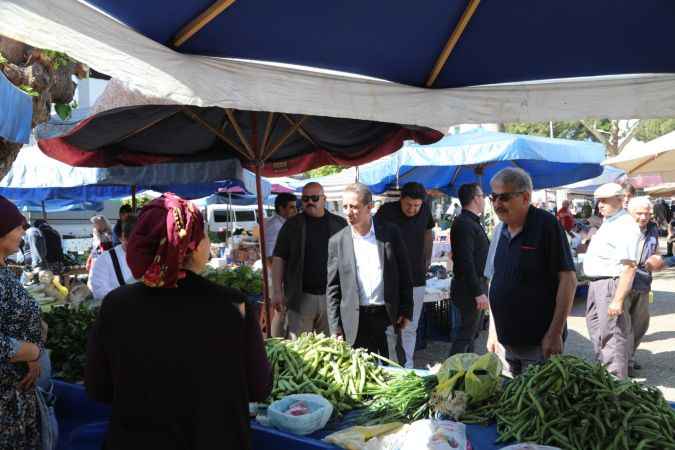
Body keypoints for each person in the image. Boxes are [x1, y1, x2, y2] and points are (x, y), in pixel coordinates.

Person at [85, 193, 271, 450]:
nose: (208, 243)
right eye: (204, 235)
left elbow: (97, 389)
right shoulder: (233, 305)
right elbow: (259, 387)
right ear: (192, 245)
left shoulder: (116, 304)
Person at [484, 168, 577, 376]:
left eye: (505, 197)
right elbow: (494, 281)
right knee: (509, 401)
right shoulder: (499, 231)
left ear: (525, 197)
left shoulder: (547, 225)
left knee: (534, 404)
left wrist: (555, 333)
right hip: (504, 343)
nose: (497, 204)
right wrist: (492, 331)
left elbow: (568, 279)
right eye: (494, 197)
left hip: (539, 343)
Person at [326, 183, 413, 356]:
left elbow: (404, 273)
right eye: (345, 206)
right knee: (363, 374)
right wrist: (335, 326)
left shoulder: (390, 233)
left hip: (386, 315)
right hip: (356, 320)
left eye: (354, 207)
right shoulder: (337, 241)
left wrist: (406, 309)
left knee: (394, 369)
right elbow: (333, 288)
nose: (348, 212)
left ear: (369, 207)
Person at [583, 183, 642, 379]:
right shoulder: (610, 221)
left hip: (610, 283)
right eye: (598, 201)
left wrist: (617, 299)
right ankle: (605, 378)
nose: (600, 205)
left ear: (620, 199)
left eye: (605, 200)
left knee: (613, 335)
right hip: (598, 283)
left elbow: (629, 266)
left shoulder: (625, 225)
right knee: (598, 331)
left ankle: (615, 383)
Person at [272, 182, 346, 338]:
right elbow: (279, 258)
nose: (310, 202)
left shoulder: (339, 224)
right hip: (300, 298)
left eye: (314, 198)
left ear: (324, 199)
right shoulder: (292, 225)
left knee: (329, 350)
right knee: (299, 351)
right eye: (305, 199)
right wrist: (277, 291)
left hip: (331, 298)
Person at [0, 195, 45, 449]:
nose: (23, 230)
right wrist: (30, 350)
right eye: (17, 225)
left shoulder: (5, 269)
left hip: (17, 398)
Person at [375, 182, 433, 368]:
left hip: (416, 277)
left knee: (410, 326)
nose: (412, 209)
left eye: (417, 205)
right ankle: (389, 364)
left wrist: (427, 260)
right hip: (389, 278)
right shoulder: (386, 212)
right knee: (389, 325)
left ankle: (406, 365)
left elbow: (428, 233)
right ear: (401, 198)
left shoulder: (425, 210)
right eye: (409, 204)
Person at [449, 183, 489, 355]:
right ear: (475, 199)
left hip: (475, 285)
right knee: (465, 335)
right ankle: (452, 372)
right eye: (482, 196)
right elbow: (466, 261)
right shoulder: (464, 223)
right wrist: (477, 292)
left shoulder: (470, 222)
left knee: (471, 334)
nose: (485, 199)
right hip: (469, 289)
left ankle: (466, 370)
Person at [626, 197, 659, 376]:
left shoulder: (653, 229)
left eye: (647, 213)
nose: (644, 217)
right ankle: (623, 362)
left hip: (644, 281)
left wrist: (656, 259)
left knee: (640, 324)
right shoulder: (622, 229)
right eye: (639, 213)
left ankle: (630, 356)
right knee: (623, 325)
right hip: (624, 281)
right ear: (630, 212)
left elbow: (656, 252)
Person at [264, 193, 297, 337]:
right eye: (292, 208)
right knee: (280, 314)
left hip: (285, 279)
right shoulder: (274, 227)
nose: (295, 211)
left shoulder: (286, 224)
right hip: (279, 280)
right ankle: (276, 347)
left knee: (285, 314)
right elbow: (270, 258)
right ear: (281, 209)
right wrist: (281, 283)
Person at [88, 216, 138, 302]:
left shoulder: (152, 256)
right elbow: (99, 291)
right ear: (121, 238)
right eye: (129, 239)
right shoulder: (104, 260)